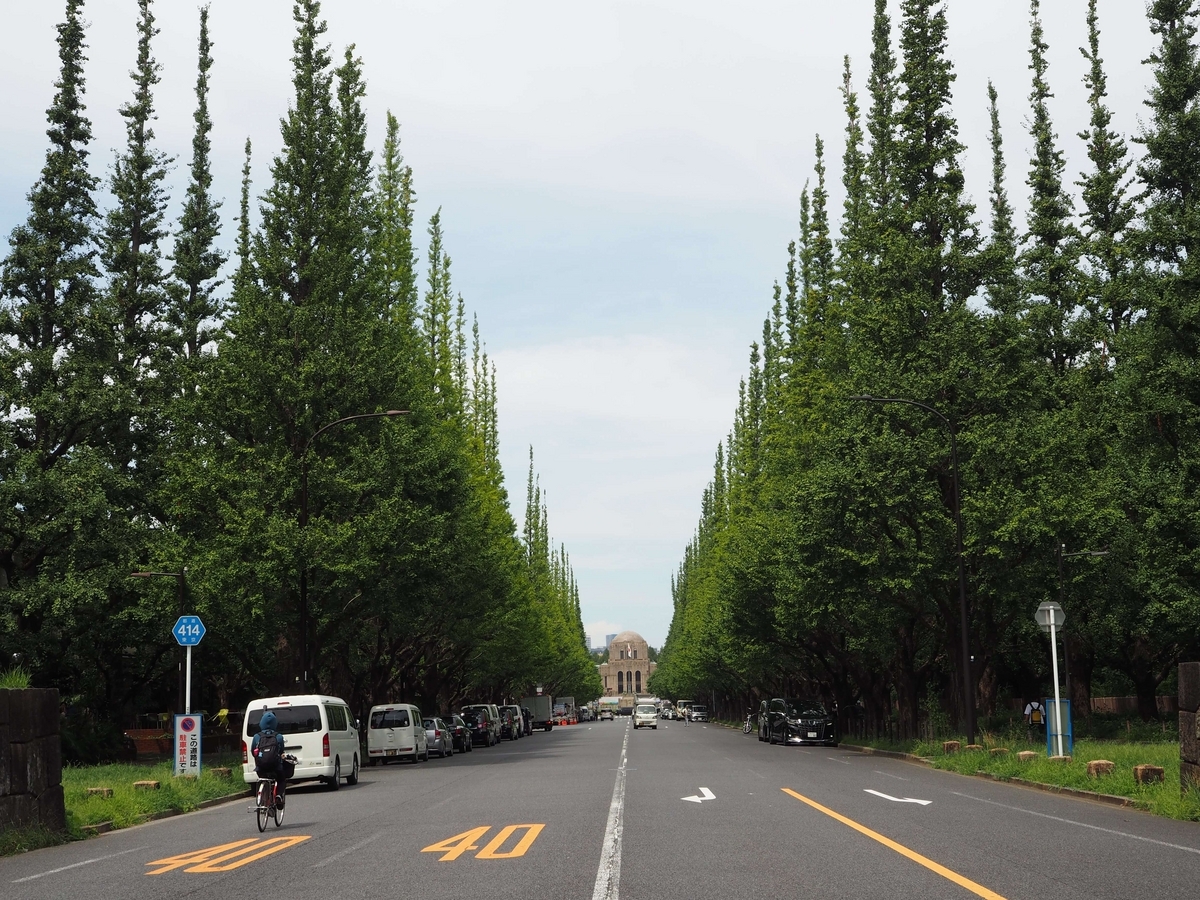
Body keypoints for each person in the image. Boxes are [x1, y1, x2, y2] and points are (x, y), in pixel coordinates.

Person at [252, 710, 291, 808]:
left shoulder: (257, 737)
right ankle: (278, 795)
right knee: (281, 779)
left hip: (261, 768)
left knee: (263, 778)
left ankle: (264, 797)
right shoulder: (279, 737)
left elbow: (253, 751)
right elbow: (281, 751)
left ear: (261, 722)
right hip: (275, 767)